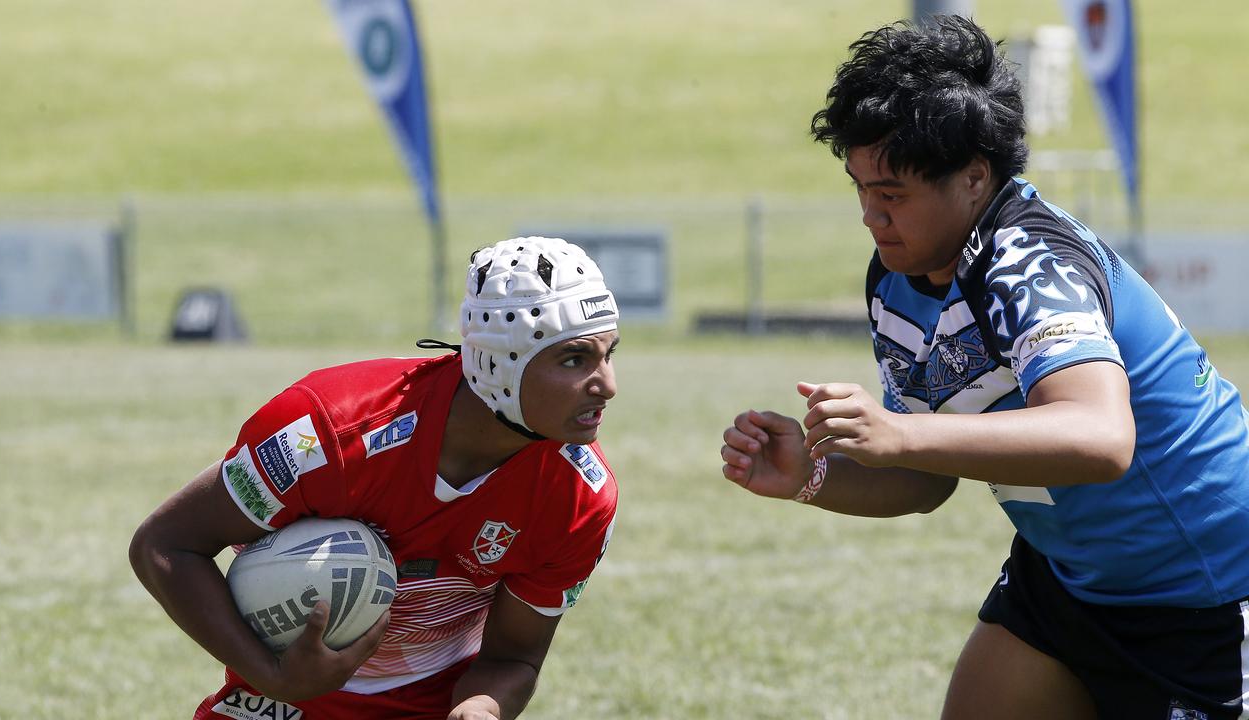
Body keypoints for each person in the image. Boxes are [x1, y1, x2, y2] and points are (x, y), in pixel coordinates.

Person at [720, 15, 1249, 719]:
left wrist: (899, 433)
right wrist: (811, 476)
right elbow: (925, 480)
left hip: (1203, 593)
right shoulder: (897, 281)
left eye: (893, 194)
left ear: (974, 178)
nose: (871, 218)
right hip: (1068, 582)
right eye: (861, 190)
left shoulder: (1034, 264)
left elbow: (1100, 437)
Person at [131, 236, 621, 720]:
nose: (607, 386)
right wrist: (272, 675)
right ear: (498, 360)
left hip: (432, 702)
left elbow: (513, 658)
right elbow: (165, 544)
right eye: (575, 359)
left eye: (609, 354)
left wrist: (480, 710)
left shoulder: (581, 495)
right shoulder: (328, 431)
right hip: (286, 697)